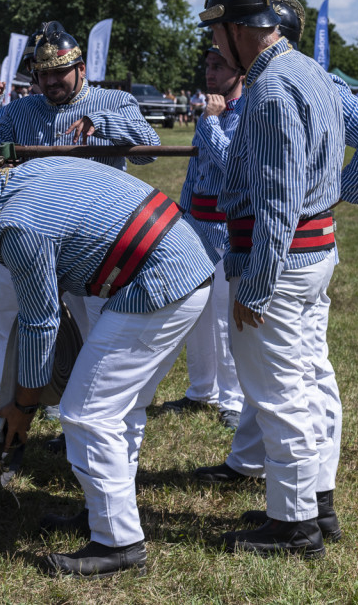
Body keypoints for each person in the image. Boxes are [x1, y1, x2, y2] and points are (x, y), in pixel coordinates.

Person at [0, 148, 218, 577]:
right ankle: (105, 512)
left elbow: (41, 324)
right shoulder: (28, 174)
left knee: (86, 413)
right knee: (120, 409)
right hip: (182, 263)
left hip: (159, 279)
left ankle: (118, 544)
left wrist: (23, 408)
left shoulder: (16, 223)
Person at [194, 0, 358, 543]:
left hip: (279, 260)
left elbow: (280, 200)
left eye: (216, 33)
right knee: (310, 379)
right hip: (312, 252)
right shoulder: (310, 71)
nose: (213, 45)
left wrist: (255, 285)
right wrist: (330, 200)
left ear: (239, 29)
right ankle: (314, 503)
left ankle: (293, 523)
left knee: (280, 394)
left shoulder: (273, 88)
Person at [0, 21, 160, 419]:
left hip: (90, 239)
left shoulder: (115, 101)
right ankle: (6, 392)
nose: (51, 81)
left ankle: (81, 398)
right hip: (25, 232)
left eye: (60, 72)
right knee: (9, 313)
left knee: (93, 320)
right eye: (44, 74)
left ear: (81, 69)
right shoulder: (21, 109)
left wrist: (103, 125)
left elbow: (150, 151)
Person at [162, 45, 244, 430]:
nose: (210, 74)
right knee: (196, 314)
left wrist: (210, 122)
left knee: (228, 318)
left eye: (220, 66)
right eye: (208, 66)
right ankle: (201, 390)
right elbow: (196, 172)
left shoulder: (249, 113)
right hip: (197, 224)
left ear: (240, 72)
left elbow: (233, 168)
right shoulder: (209, 112)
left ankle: (233, 399)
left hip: (230, 228)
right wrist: (183, 212)